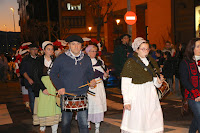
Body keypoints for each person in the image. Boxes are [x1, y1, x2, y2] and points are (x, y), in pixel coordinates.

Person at [50, 35, 96, 133]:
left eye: (78, 44)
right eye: (73, 44)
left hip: (82, 93)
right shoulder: (62, 58)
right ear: (69, 45)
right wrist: (59, 87)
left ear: (81, 46)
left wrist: (91, 80)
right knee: (66, 123)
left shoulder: (86, 58)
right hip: (67, 93)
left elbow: (90, 73)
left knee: (83, 123)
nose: (76, 46)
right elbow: (53, 73)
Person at [120, 37, 164, 133]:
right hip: (137, 94)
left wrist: (159, 82)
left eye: (147, 48)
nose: (146, 51)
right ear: (137, 49)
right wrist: (126, 101)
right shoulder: (131, 62)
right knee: (138, 120)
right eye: (143, 49)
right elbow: (125, 83)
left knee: (151, 119)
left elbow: (155, 81)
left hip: (150, 93)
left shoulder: (151, 61)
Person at [32, 41, 61, 133]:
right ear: (44, 50)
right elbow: (36, 76)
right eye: (48, 49)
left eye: (52, 49)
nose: (51, 51)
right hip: (43, 87)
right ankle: (42, 128)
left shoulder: (56, 61)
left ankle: (54, 130)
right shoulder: (38, 61)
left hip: (54, 86)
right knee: (43, 107)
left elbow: (60, 74)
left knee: (55, 107)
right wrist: (43, 88)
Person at [85, 45, 108, 133]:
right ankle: (87, 123)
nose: (94, 53)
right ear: (87, 52)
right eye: (91, 51)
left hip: (98, 86)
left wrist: (105, 76)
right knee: (89, 105)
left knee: (98, 106)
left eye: (95, 51)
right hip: (89, 86)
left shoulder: (99, 62)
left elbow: (103, 74)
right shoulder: (84, 62)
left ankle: (97, 127)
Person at [179, 38, 200, 132]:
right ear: (192, 48)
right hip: (193, 95)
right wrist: (196, 93)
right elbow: (184, 81)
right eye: (198, 46)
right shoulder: (185, 62)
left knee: (197, 118)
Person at [20, 43, 40, 114]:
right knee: (32, 100)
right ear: (30, 50)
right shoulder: (26, 59)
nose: (35, 51)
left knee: (40, 99)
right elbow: (23, 71)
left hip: (39, 82)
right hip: (30, 82)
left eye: (36, 49)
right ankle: (34, 114)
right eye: (33, 49)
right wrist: (28, 79)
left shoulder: (39, 58)